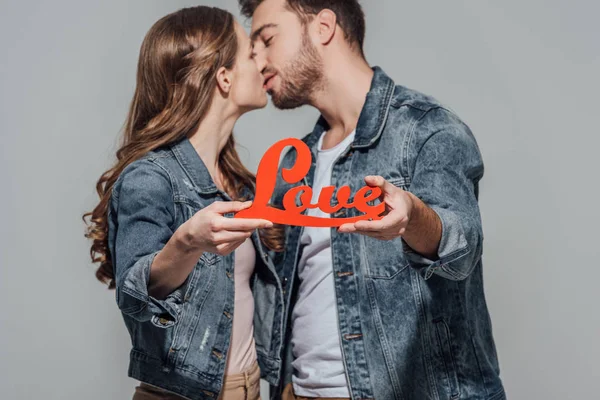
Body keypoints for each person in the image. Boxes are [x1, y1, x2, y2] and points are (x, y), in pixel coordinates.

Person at [238, 0, 506, 399]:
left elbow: (461, 242)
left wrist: (412, 217)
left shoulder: (425, 128)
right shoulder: (293, 165)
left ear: (323, 26)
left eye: (267, 39)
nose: (257, 59)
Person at [83, 6, 287, 399]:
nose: (262, 61)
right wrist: (187, 242)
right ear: (224, 77)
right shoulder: (151, 177)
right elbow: (135, 291)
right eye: (249, 52)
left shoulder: (240, 185)